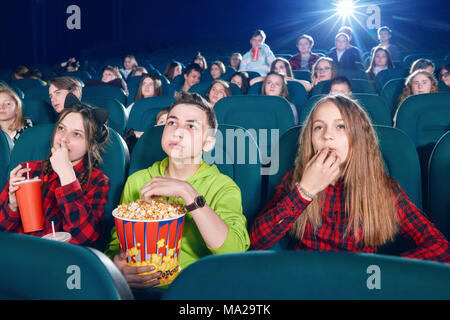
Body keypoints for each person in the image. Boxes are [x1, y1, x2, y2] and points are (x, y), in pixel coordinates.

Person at [250, 94, 450, 263]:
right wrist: (305, 191)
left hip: (360, 286)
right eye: (318, 127)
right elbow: (256, 242)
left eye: (341, 126)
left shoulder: (382, 188)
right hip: (306, 280)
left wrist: (387, 272)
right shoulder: (295, 179)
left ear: (357, 138)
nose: (328, 135)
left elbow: (440, 247)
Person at [105, 91, 250, 294]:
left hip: (197, 291)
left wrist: (187, 192)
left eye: (191, 126)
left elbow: (234, 250)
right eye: (172, 123)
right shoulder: (137, 181)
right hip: (140, 290)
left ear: (208, 143)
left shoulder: (223, 187)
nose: (177, 132)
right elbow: (117, 241)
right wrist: (117, 266)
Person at [0, 94, 110, 246]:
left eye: (76, 134)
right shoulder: (29, 170)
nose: (63, 139)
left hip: (61, 262)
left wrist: (66, 175)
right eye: (61, 128)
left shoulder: (97, 180)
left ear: (91, 146)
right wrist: (12, 205)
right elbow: (2, 230)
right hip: (22, 255)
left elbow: (85, 238)